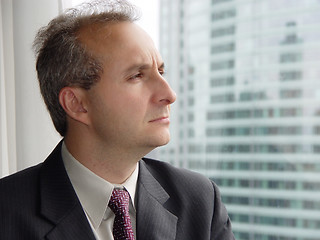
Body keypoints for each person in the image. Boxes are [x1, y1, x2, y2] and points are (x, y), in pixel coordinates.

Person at [0, 0, 235, 239]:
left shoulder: (201, 201)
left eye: (161, 72)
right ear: (77, 104)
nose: (169, 95)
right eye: (136, 76)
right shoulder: (6, 214)